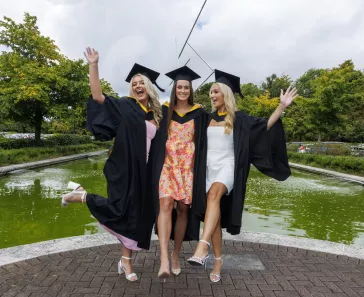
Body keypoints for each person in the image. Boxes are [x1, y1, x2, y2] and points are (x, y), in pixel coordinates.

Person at [61, 47, 164, 282]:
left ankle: (125, 262)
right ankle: (81, 196)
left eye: (142, 83)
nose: (138, 86)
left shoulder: (155, 114)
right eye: (134, 83)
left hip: (144, 173)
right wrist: (94, 64)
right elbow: (98, 97)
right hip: (124, 169)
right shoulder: (125, 106)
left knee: (136, 217)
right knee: (120, 210)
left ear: (149, 88)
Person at [187, 70, 297, 282]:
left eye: (215, 91)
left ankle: (202, 247)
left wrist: (281, 106)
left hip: (228, 166)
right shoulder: (205, 118)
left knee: (213, 196)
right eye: (210, 92)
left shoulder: (240, 118)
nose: (212, 96)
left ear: (225, 94)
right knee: (214, 215)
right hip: (208, 168)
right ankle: (217, 260)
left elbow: (265, 125)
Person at [147, 66, 209, 279]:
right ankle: (164, 258)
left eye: (186, 87)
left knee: (183, 210)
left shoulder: (200, 113)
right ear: (175, 88)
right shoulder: (164, 111)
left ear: (191, 90)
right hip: (168, 166)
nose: (182, 90)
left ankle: (175, 254)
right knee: (165, 205)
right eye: (179, 87)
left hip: (188, 169)